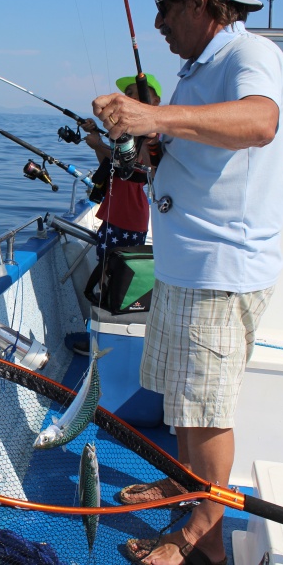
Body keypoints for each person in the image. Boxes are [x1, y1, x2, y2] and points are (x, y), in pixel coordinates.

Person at [91, 0, 283, 564]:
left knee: (207, 413)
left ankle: (204, 533)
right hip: (185, 264)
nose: (158, 24)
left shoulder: (248, 54)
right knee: (184, 401)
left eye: (167, 9)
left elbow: (259, 121)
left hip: (220, 271)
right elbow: (195, 147)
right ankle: (186, 483)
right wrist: (144, 143)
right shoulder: (197, 71)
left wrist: (153, 117)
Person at [72, 75, 161, 357]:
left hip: (127, 218)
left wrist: (99, 143)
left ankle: (102, 340)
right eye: (128, 94)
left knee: (111, 277)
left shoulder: (149, 141)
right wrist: (98, 142)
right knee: (106, 272)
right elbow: (110, 169)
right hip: (115, 216)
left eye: (135, 94)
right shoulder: (128, 138)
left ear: (154, 101)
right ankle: (99, 334)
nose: (128, 99)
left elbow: (131, 171)